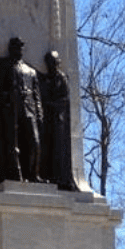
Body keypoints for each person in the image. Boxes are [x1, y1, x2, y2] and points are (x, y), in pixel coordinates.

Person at [0, 37, 44, 182]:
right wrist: (8, 99)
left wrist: (39, 114)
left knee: (34, 142)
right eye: (15, 47)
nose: (18, 50)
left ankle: (34, 174)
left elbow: (37, 95)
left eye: (20, 47)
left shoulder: (30, 71)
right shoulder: (4, 67)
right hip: (12, 110)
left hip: (29, 110)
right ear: (10, 49)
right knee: (12, 144)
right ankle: (16, 175)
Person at [41, 50, 77, 190]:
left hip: (58, 119)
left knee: (58, 149)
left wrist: (50, 104)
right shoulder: (45, 78)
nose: (53, 64)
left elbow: (64, 99)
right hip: (46, 120)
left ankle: (61, 179)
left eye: (54, 62)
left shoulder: (62, 78)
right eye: (50, 62)